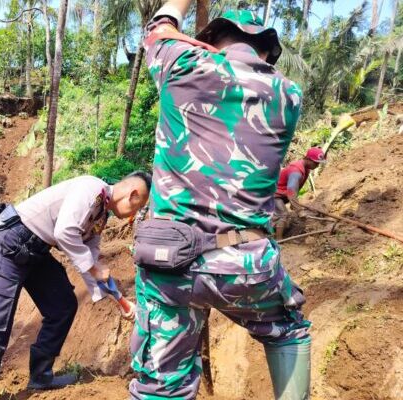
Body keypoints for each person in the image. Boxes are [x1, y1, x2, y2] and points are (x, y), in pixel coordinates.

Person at [129, 2, 311, 400]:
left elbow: (160, 25)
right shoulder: (289, 95)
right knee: (290, 331)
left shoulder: (183, 65)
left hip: (168, 262)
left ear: (209, 41)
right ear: (266, 52)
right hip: (244, 262)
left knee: (161, 387)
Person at [0, 172, 151, 400]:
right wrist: (95, 268)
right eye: (139, 207)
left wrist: (120, 302)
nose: (136, 213)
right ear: (133, 194)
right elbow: (65, 232)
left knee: (62, 305)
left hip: (33, 250)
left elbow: (91, 258)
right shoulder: (91, 189)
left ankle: (41, 375)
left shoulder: (101, 214)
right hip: (9, 242)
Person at [273, 147, 327, 240]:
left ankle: (273, 234)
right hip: (274, 195)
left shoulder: (306, 168)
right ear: (308, 159)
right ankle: (279, 240)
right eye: (316, 163)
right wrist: (299, 210)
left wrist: (294, 204)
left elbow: (294, 189)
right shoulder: (296, 170)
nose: (317, 166)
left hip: (281, 195)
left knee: (282, 215)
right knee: (283, 214)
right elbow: (291, 191)